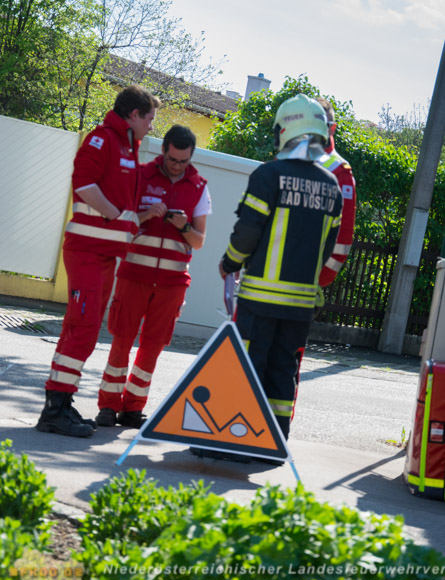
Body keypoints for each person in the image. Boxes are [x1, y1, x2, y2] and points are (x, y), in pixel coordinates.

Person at [192, 94, 343, 463]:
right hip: (300, 305)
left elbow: (248, 232)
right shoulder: (332, 187)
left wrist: (230, 263)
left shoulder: (268, 175)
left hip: (260, 297)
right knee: (282, 370)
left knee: (245, 364)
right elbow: (328, 249)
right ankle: (272, 446)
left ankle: (230, 441)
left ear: (285, 130)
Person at [36, 85, 161, 438]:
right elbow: (84, 185)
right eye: (150, 118)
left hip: (104, 255)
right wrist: (118, 215)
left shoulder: (125, 146)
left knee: (80, 328)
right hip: (87, 253)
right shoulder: (102, 140)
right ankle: (56, 409)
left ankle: (59, 403)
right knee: (84, 329)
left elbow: (115, 199)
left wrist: (137, 214)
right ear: (134, 115)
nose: (152, 126)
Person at [96, 124, 211, 428]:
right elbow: (119, 222)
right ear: (163, 151)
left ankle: (133, 408)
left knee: (154, 345)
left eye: (183, 161)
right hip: (134, 274)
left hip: (172, 283)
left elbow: (199, 241)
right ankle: (108, 405)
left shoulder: (199, 186)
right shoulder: (140, 175)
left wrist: (184, 226)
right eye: (173, 159)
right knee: (122, 339)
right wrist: (146, 216)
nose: (177, 166)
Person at [316, 97, 356, 288]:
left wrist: (319, 281)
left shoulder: (340, 171)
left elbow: (343, 237)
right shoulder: (287, 158)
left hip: (307, 279)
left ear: (332, 128)